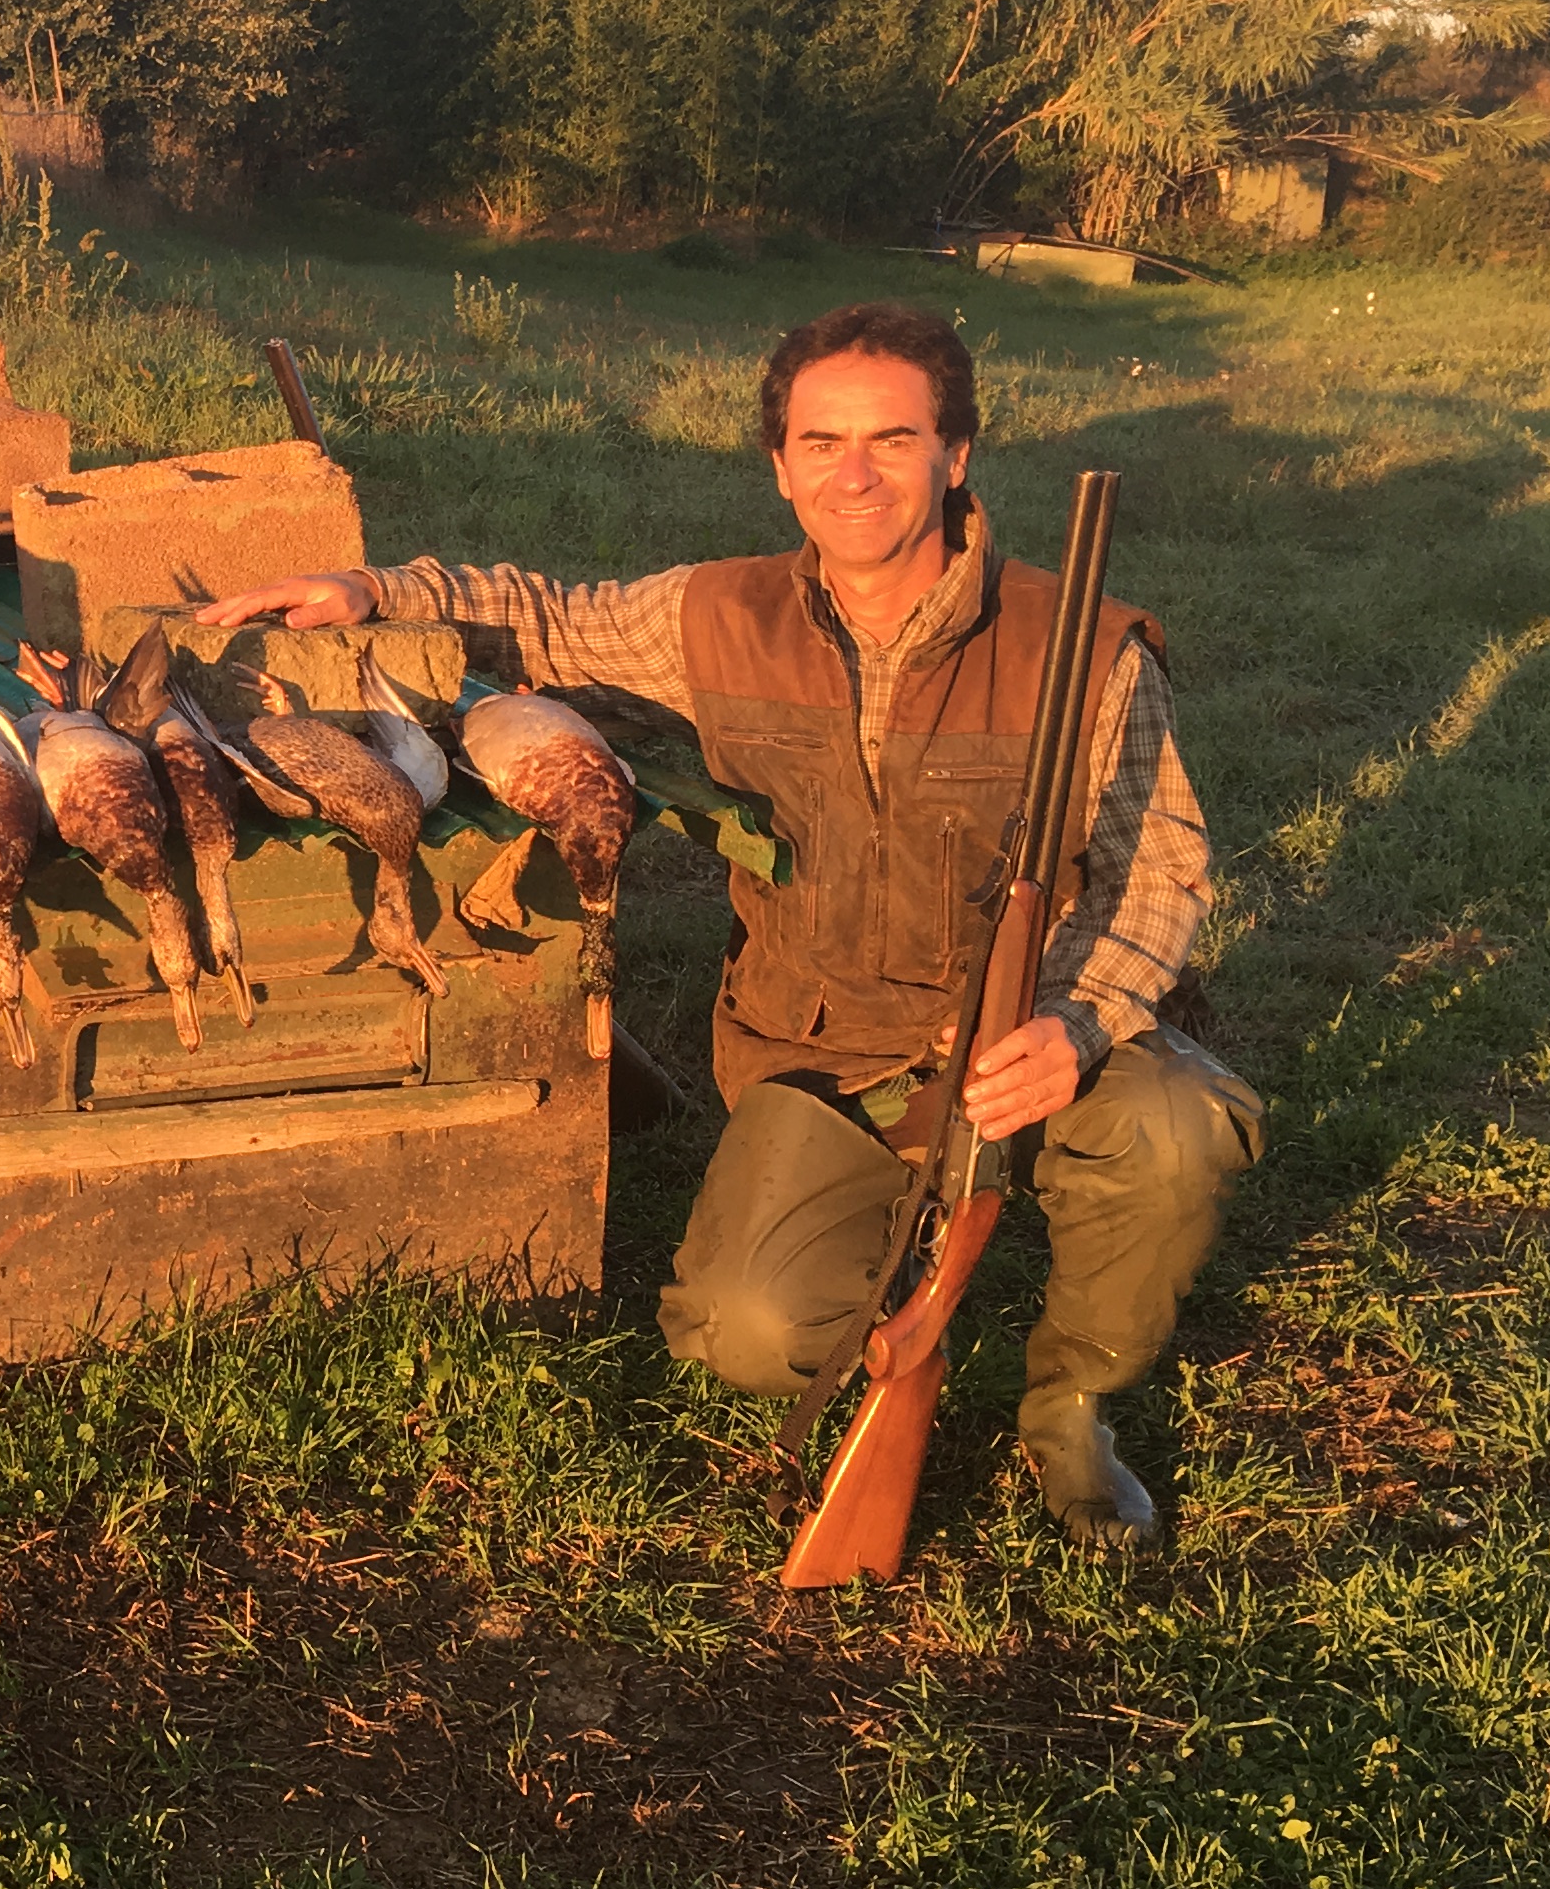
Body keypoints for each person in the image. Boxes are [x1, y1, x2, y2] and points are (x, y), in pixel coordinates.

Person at [198, 300, 1261, 1553]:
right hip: (829, 1045)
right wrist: (376, 589)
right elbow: (545, 620)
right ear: (780, 464)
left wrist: (1076, 1026)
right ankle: (909, 1279)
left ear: (955, 454)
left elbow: (1159, 863)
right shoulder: (714, 617)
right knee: (746, 1329)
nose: (854, 474)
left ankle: (1074, 1404)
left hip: (1030, 1028)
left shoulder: (1079, 642)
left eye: (892, 438)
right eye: (822, 443)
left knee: (1178, 1126)